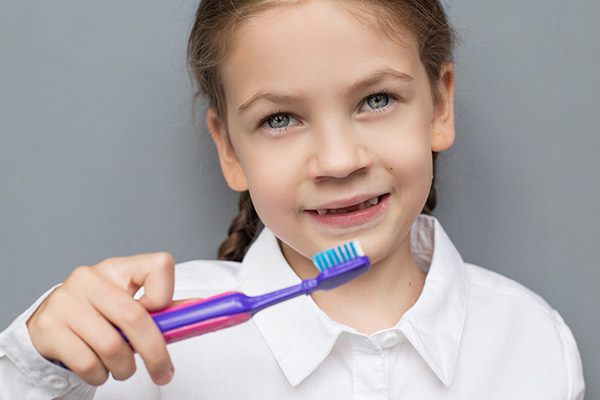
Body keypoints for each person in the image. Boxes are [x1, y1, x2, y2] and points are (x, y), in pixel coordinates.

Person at [0, 0, 585, 398]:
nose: (337, 161)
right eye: (281, 118)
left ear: (440, 105)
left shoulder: (534, 341)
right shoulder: (141, 346)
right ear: (229, 149)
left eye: (376, 100)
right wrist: (36, 368)